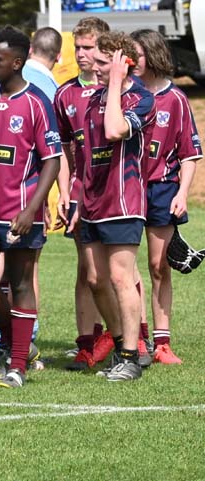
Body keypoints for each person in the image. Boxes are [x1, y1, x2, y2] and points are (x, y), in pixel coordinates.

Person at [0, 25, 62, 389]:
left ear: (17, 62)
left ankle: (17, 365)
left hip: (20, 210)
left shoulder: (36, 102)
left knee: (20, 284)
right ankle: (15, 337)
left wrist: (31, 209)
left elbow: (51, 161)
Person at [70, 31, 158, 381]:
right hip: (92, 200)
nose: (94, 67)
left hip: (123, 200)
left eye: (104, 63)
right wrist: (78, 197)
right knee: (95, 279)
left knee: (121, 277)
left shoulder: (141, 99)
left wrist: (117, 84)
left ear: (124, 64)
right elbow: (85, 154)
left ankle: (132, 358)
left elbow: (114, 130)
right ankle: (121, 343)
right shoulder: (94, 99)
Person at [130, 28, 200, 365]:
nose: (132, 60)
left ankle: (162, 343)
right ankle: (137, 336)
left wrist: (182, 194)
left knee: (159, 266)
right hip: (126, 188)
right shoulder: (126, 94)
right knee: (124, 267)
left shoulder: (176, 99)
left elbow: (190, 154)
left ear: (154, 54)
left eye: (138, 54)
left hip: (162, 189)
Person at [54, 17, 119, 371]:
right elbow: (63, 149)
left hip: (118, 191)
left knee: (122, 271)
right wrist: (64, 189)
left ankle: (132, 338)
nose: (80, 53)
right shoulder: (65, 94)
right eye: (77, 47)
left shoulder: (120, 90)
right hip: (82, 193)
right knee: (87, 269)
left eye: (88, 47)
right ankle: (87, 343)